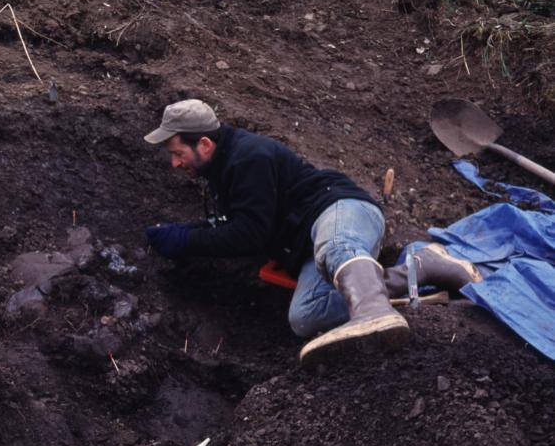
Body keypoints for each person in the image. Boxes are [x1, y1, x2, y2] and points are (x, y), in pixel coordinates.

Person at [143, 99, 482, 367]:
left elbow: (250, 234)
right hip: (310, 249)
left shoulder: (249, 157)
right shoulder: (220, 170)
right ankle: (422, 267)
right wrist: (181, 233)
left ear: (203, 143)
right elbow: (235, 224)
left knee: (335, 245)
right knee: (305, 317)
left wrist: (185, 241)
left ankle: (372, 313)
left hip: (340, 211)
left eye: (177, 153)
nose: (174, 163)